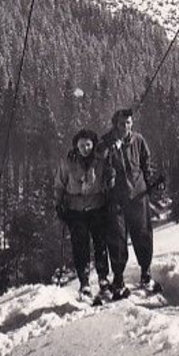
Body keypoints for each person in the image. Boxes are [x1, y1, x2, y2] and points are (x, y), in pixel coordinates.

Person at [100, 108, 161, 298]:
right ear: (114, 124)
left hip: (138, 195)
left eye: (128, 123)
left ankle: (145, 273)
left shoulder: (138, 140)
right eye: (121, 123)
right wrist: (110, 149)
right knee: (117, 239)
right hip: (116, 199)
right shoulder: (106, 141)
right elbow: (98, 158)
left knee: (143, 234)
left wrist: (151, 183)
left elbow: (146, 164)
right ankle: (118, 279)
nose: (125, 126)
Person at [54, 128, 112, 299]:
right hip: (76, 210)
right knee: (80, 247)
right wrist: (58, 205)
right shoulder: (68, 162)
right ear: (76, 147)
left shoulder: (101, 160)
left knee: (100, 245)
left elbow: (108, 180)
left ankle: (103, 279)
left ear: (93, 145)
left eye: (88, 145)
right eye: (81, 145)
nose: (85, 148)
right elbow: (59, 184)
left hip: (97, 207)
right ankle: (84, 283)